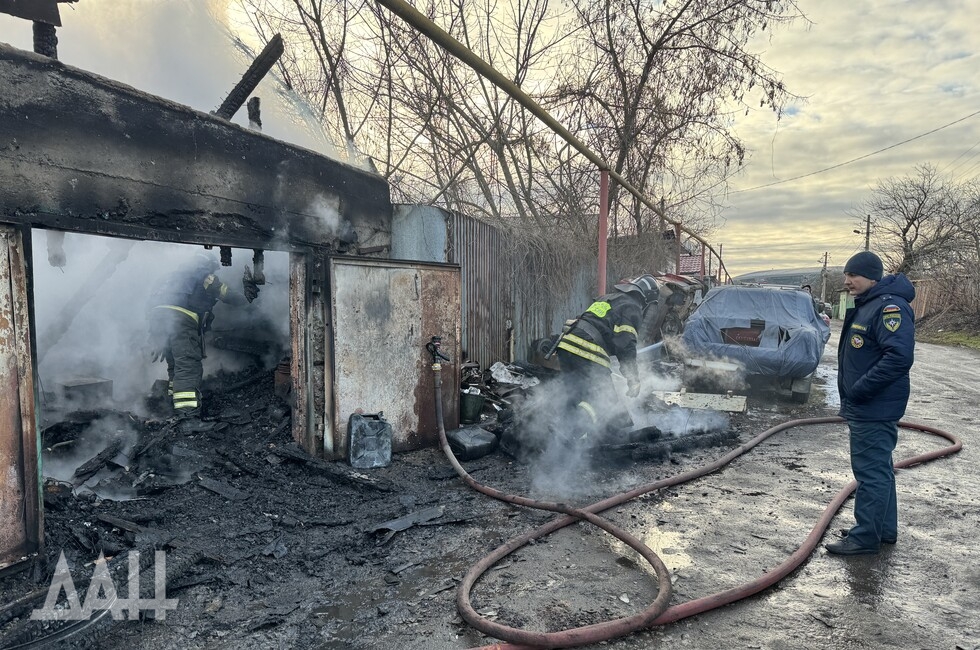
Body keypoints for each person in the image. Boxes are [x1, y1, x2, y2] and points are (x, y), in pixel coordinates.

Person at [826, 251, 915, 556]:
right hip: (871, 404)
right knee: (880, 468)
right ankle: (883, 530)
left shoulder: (889, 307)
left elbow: (899, 357)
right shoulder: (870, 304)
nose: (848, 281)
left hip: (873, 405)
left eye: (854, 275)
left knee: (870, 472)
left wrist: (861, 389)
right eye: (847, 275)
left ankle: (865, 538)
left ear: (872, 277)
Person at [147, 251, 260, 428]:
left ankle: (171, 405)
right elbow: (228, 295)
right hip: (181, 321)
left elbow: (150, 303)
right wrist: (248, 299)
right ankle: (188, 418)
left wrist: (155, 335)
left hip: (157, 320)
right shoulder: (205, 278)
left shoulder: (169, 277)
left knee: (175, 365)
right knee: (187, 365)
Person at [553, 274, 659, 440]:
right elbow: (626, 344)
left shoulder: (608, 299)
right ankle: (573, 435)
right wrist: (633, 379)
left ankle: (559, 433)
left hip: (566, 346)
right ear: (646, 299)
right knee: (603, 400)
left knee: (576, 394)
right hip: (588, 350)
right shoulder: (633, 307)